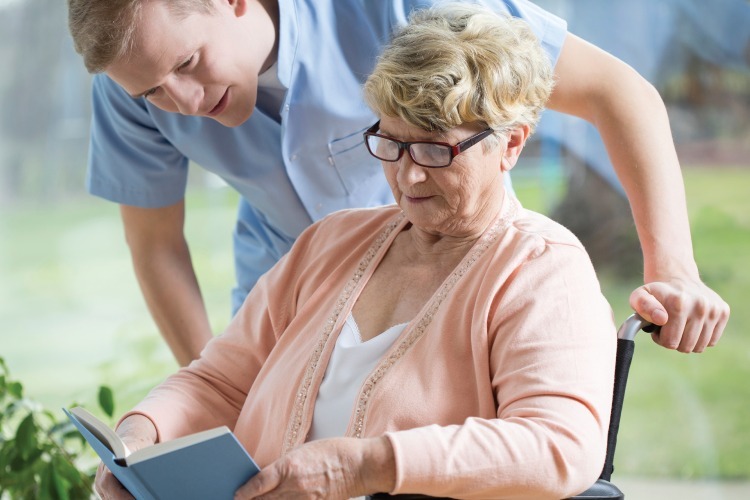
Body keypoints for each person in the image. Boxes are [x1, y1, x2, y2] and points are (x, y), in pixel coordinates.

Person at [95, 5, 616, 499]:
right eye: (390, 143)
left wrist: (367, 466)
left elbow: (559, 445)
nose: (408, 175)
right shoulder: (330, 243)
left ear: (511, 144)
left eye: (435, 150)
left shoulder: (543, 271)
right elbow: (219, 382)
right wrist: (143, 435)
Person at [66, 0, 729, 367]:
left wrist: (674, 268)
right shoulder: (133, 92)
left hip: (467, 287)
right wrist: (211, 382)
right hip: (288, 305)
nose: (178, 99)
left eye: (188, 64)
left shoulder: (404, 5)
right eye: (152, 90)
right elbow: (155, 244)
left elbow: (620, 94)